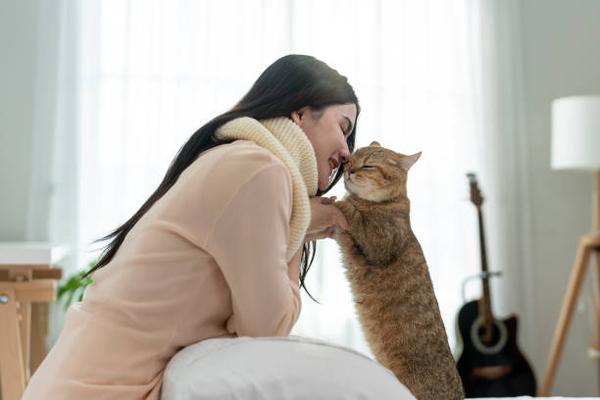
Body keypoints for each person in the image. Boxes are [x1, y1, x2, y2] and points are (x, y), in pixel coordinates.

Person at [22, 54, 360, 399]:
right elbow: (267, 330)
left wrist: (296, 218)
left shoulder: (238, 159)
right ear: (300, 115)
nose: (348, 152)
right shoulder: (258, 170)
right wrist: (300, 228)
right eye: (343, 128)